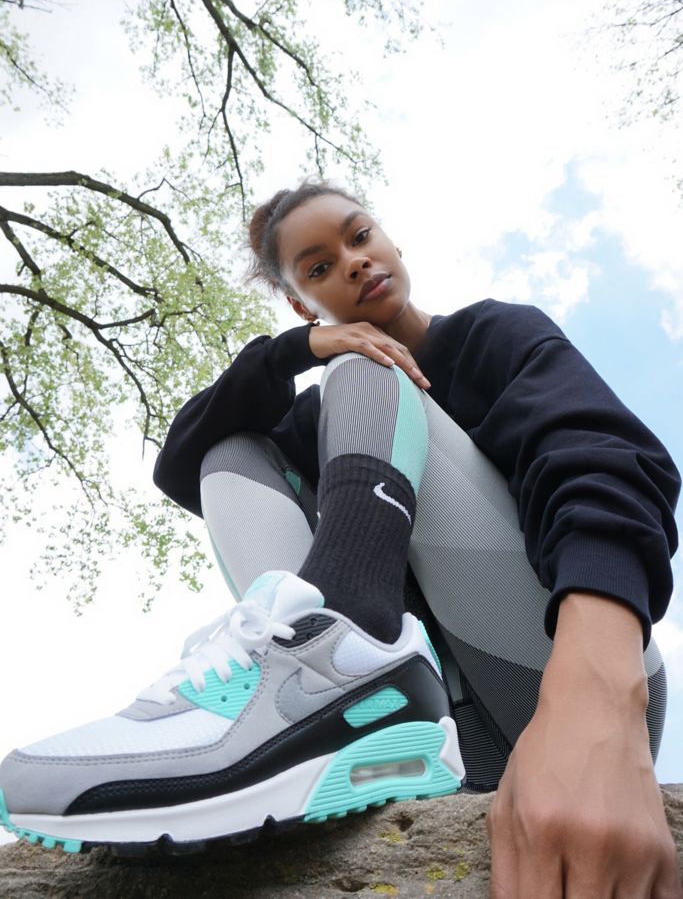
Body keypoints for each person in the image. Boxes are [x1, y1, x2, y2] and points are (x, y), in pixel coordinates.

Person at [0, 182, 680, 899]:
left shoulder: (489, 334)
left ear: (391, 242)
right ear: (301, 304)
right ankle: (308, 695)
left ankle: (347, 652)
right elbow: (182, 463)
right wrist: (296, 352)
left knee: (367, 365)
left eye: (359, 237)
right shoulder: (316, 416)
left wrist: (599, 701)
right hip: (449, 739)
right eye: (319, 267)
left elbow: (601, 466)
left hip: (566, 669)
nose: (353, 262)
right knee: (231, 449)